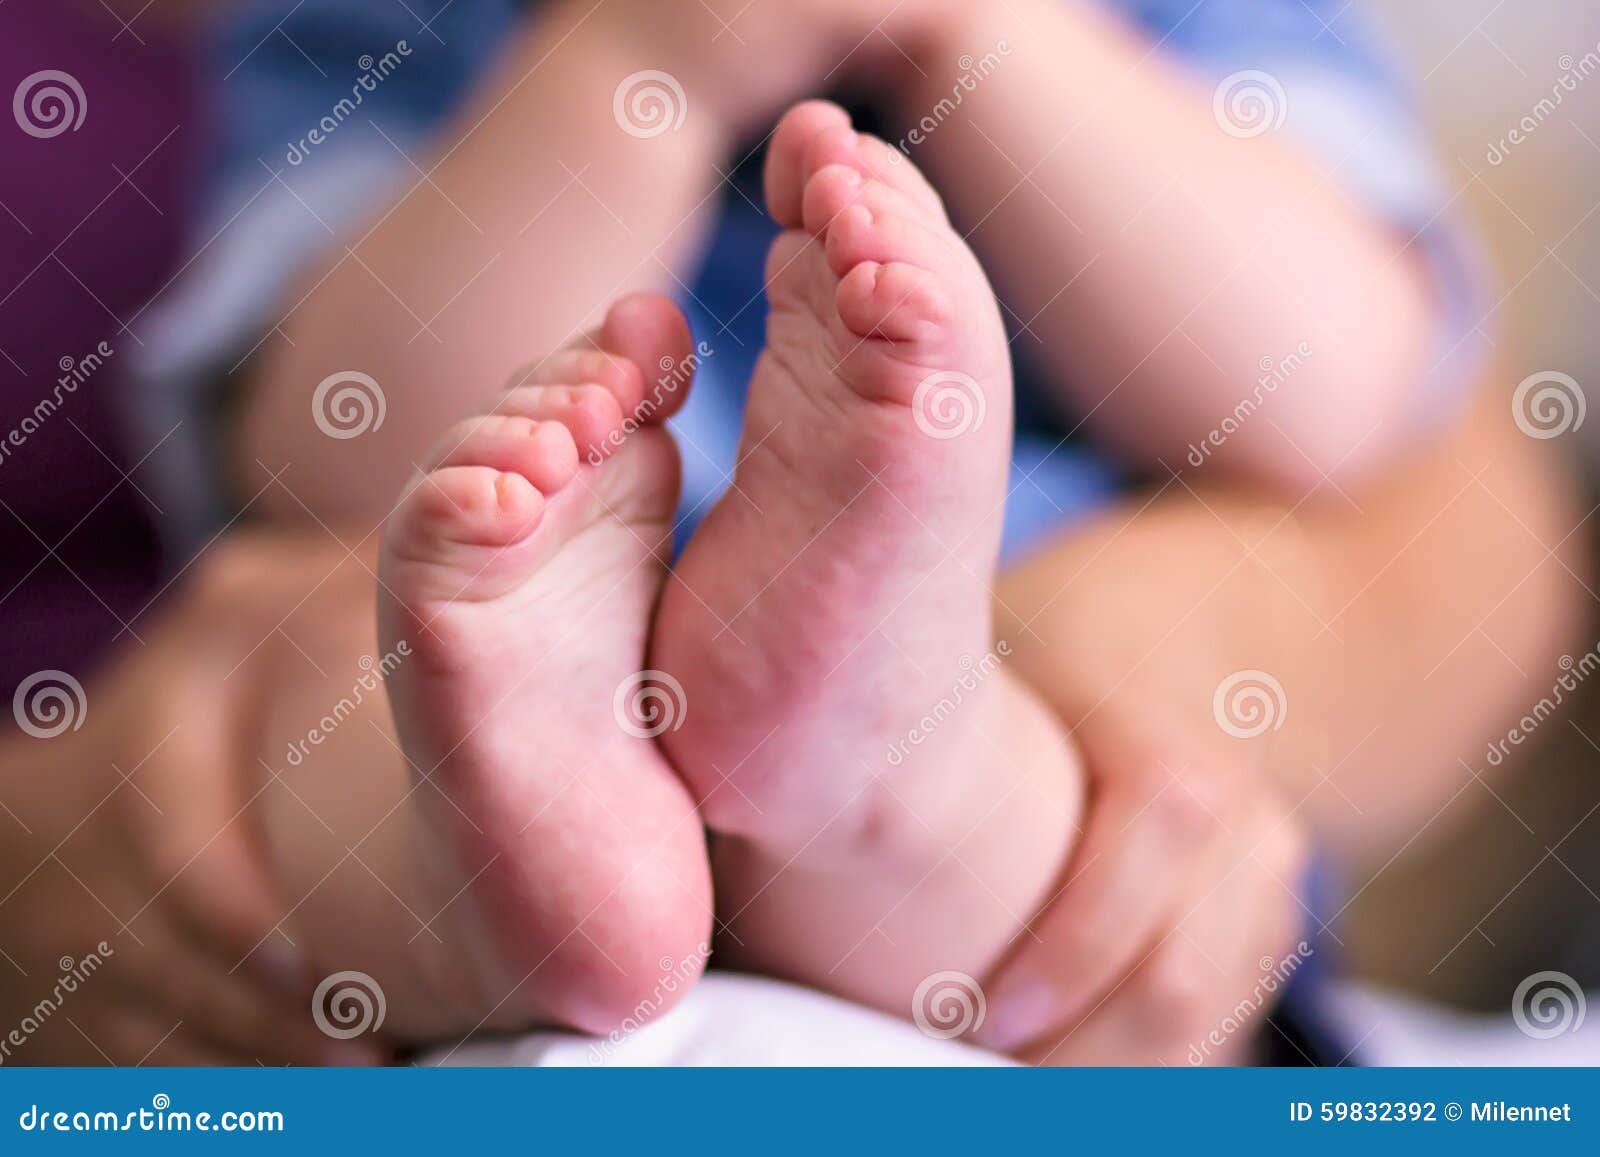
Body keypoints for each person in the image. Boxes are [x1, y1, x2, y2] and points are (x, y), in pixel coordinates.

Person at [1, 0, 1582, 1065]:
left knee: (1011, 752)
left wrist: (979, 32)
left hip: (1010, 661)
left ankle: (872, 766)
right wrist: (647, 60)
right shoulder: (398, 28)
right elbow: (336, 452)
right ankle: (525, 864)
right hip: (473, 682)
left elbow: (1337, 393)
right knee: (330, 668)